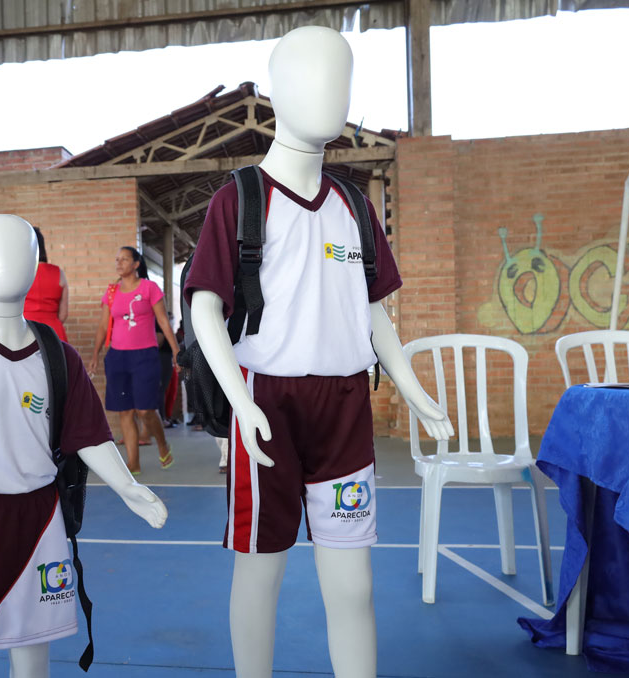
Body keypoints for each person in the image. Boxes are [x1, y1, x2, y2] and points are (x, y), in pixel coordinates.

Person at [186, 27, 452, 678]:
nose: (332, 93)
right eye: (314, 77)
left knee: (353, 583)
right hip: (267, 406)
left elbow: (372, 312)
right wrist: (241, 401)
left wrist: (415, 391)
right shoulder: (242, 199)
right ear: (278, 94)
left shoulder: (352, 209)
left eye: (343, 79)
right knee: (260, 572)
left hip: (343, 407)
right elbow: (203, 308)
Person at [0, 214, 167, 678]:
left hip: (40, 520)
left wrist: (126, 485)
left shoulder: (59, 358)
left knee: (34, 654)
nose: (5, 263)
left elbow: (89, 434)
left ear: (39, 265)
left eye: (19, 252)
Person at [90, 247, 181, 475]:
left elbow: (163, 321)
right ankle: (133, 463)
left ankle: (162, 444)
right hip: (118, 357)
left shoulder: (150, 288)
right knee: (125, 411)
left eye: (124, 259)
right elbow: (103, 326)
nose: (119, 263)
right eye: (117, 259)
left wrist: (176, 351)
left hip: (145, 356)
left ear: (136, 264)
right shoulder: (111, 292)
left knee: (145, 411)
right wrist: (95, 355)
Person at [23, 226, 70, 342]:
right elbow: (63, 315)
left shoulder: (20, 273)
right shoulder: (59, 273)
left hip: (26, 331)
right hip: (54, 332)